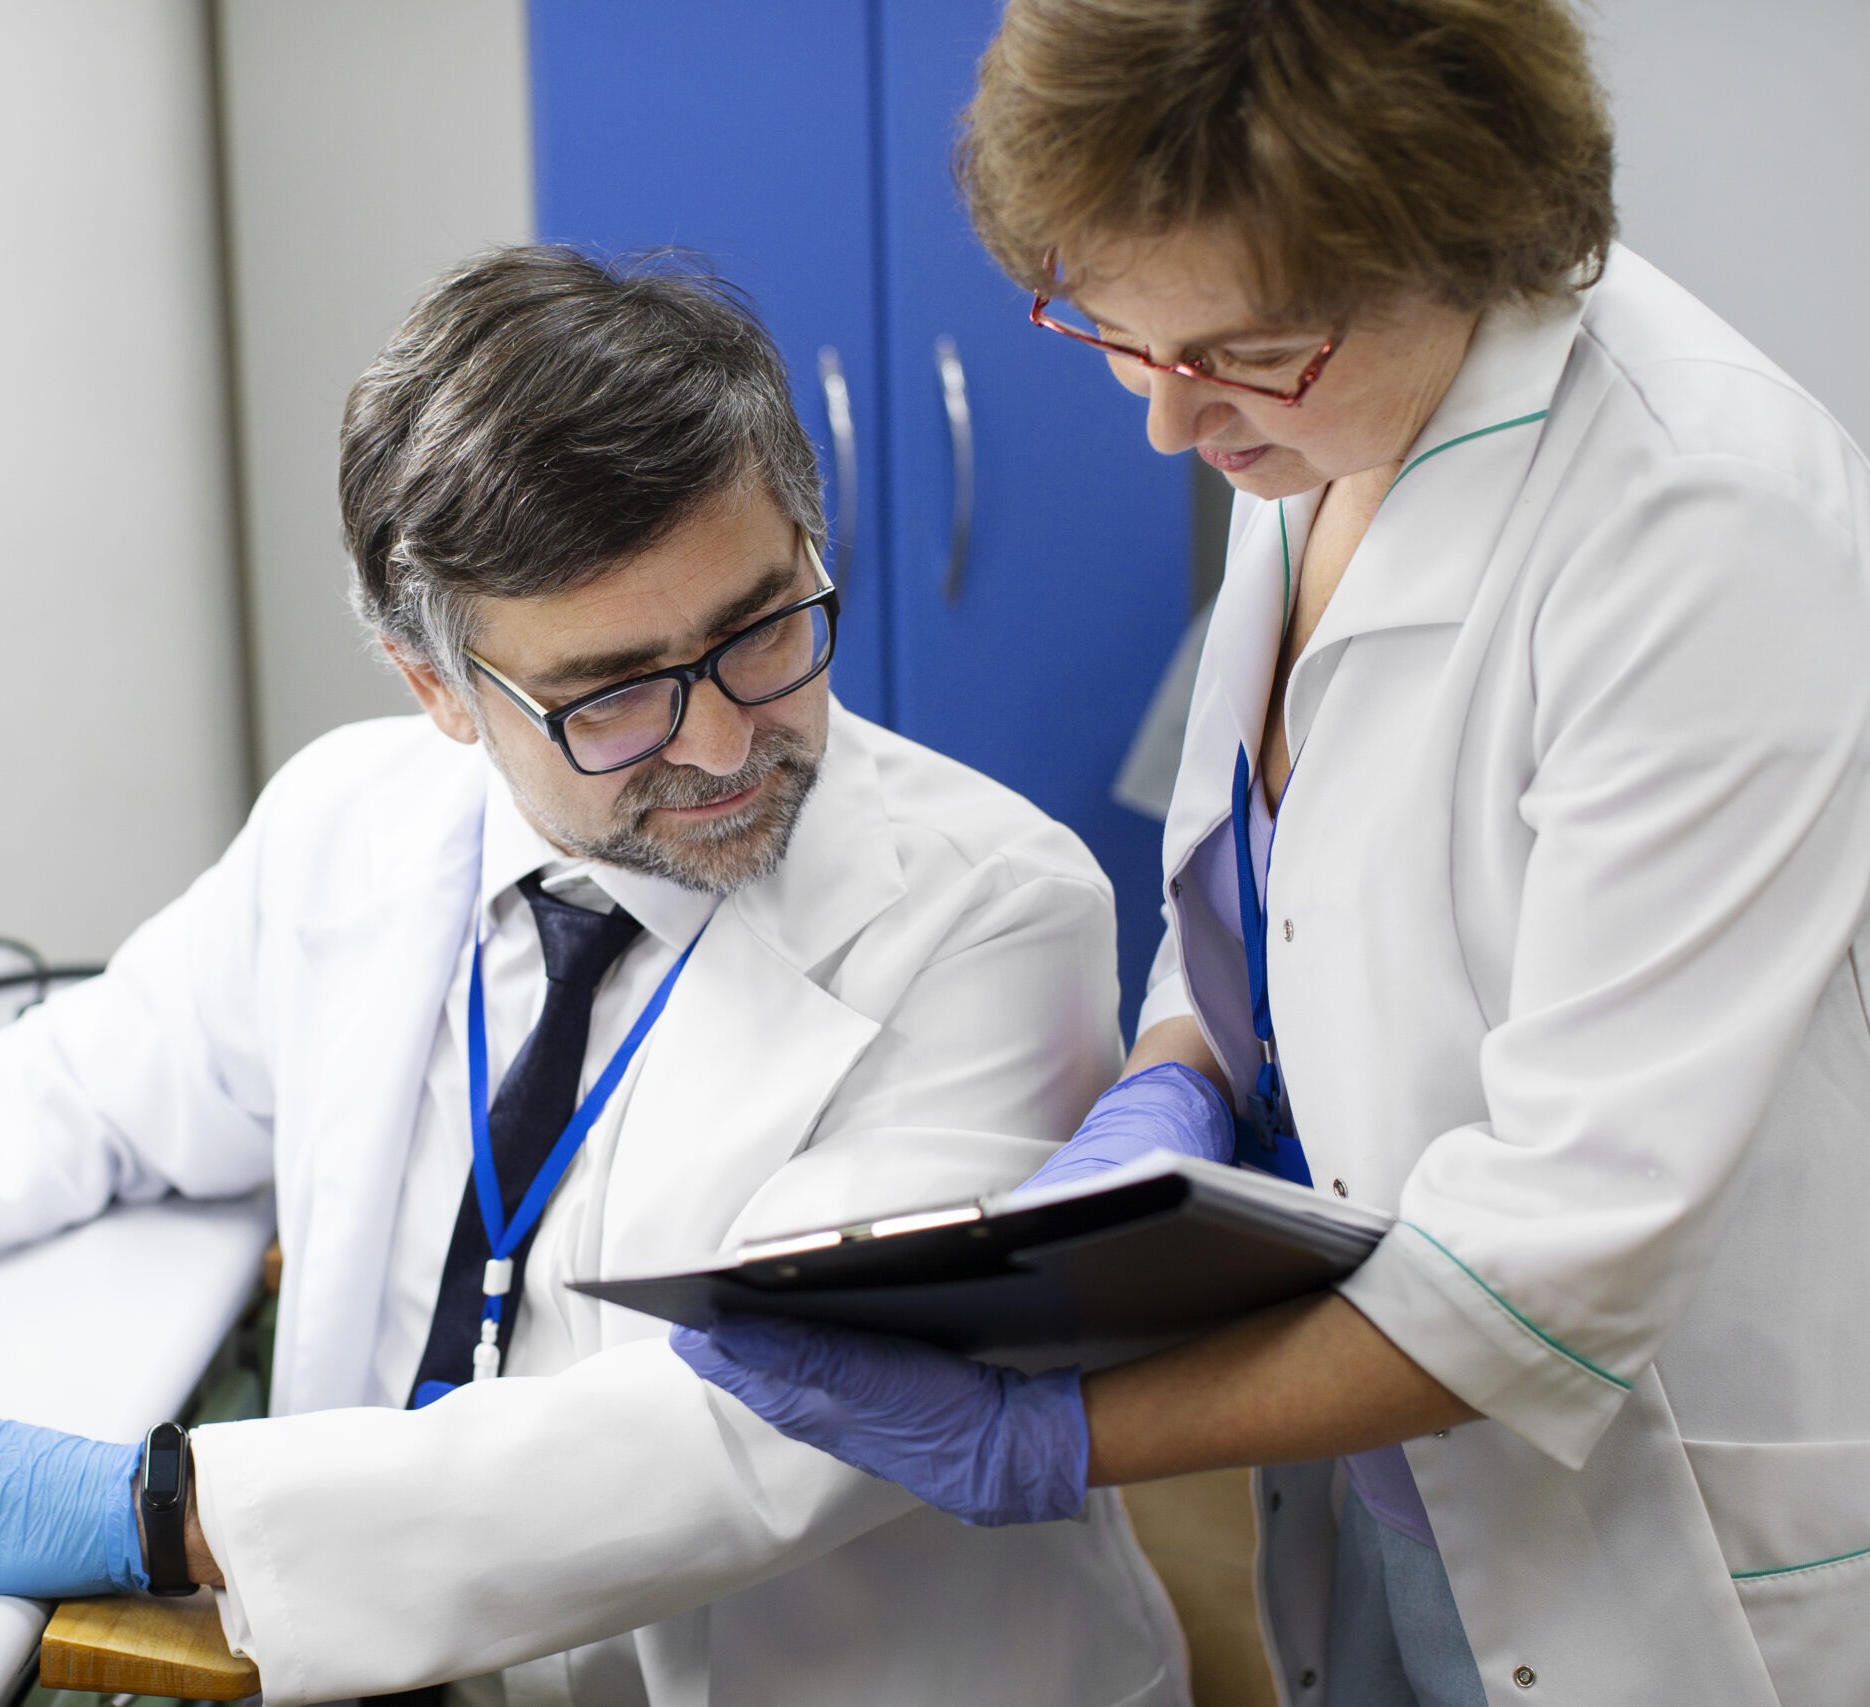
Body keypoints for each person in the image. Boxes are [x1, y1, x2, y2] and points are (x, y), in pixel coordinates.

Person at [0, 247, 1192, 1707]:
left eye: (762, 628)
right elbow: (111, 1075)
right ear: (439, 687)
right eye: (611, 695)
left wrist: (159, 1510)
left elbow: (752, 1428)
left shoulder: (994, 913)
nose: (722, 744)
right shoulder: (351, 820)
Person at [674, 3, 1870, 1705]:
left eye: (1240, 351)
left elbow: (1554, 1260)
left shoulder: (1702, 524)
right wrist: (1178, 1070)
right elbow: (1270, 880)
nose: (1170, 427)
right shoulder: (1315, 420)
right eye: (1113, 332)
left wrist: (1058, 1434)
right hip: (1384, 1464)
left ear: (1463, 238)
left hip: (1643, 1526)